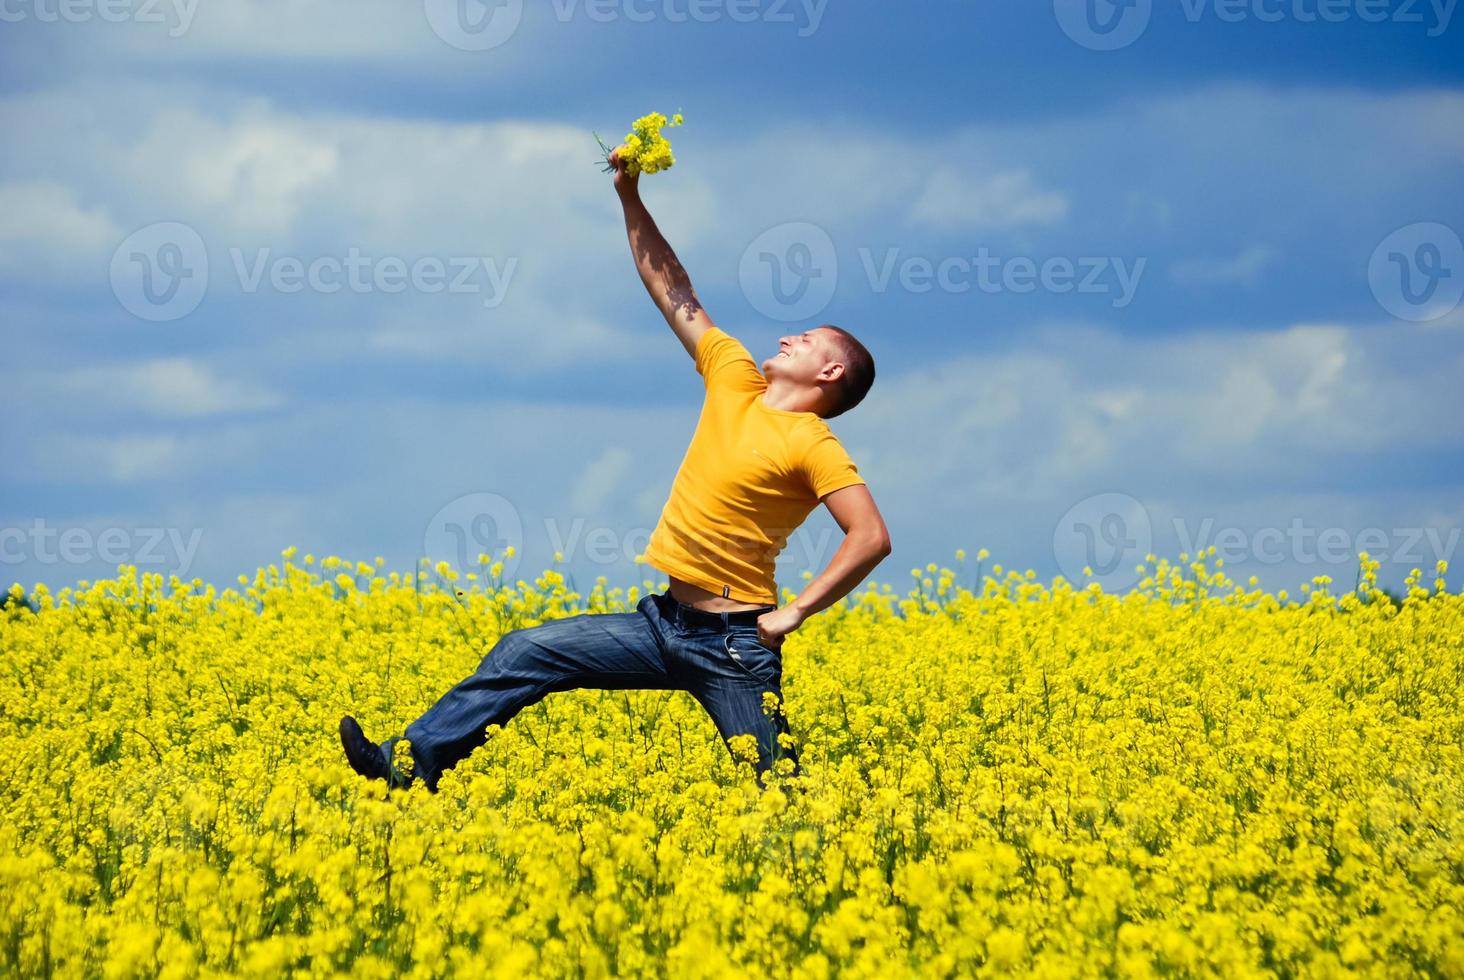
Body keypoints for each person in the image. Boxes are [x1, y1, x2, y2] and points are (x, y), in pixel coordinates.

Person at [339, 143, 892, 792]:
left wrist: (794, 613)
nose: (787, 337)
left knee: (779, 793)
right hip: (663, 625)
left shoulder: (811, 442)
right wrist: (630, 196)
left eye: (808, 340)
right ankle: (407, 766)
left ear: (829, 373)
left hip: (734, 645)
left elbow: (871, 536)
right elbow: (672, 287)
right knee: (526, 650)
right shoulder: (733, 377)